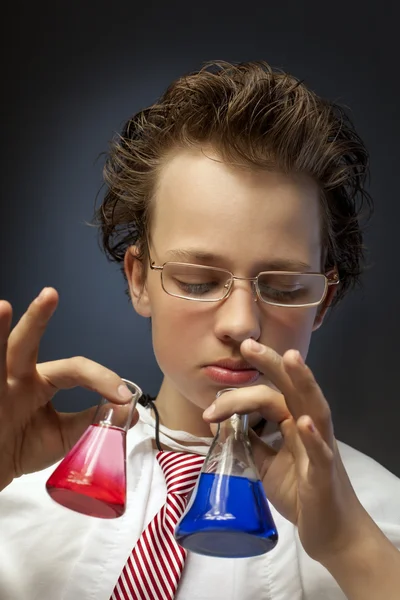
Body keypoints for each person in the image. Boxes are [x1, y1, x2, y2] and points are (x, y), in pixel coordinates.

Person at [0, 60, 399, 600]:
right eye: (195, 280)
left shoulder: (379, 520)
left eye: (282, 288)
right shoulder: (18, 487)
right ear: (139, 279)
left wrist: (351, 549)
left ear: (322, 302)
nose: (240, 323)